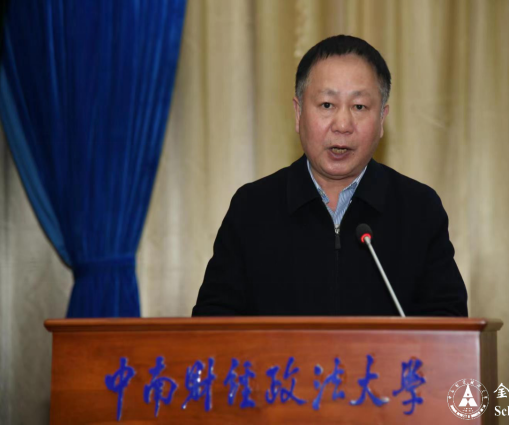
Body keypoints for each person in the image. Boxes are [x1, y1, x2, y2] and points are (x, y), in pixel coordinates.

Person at [192, 35, 468, 317]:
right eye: (327, 105)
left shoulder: (419, 209)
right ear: (298, 113)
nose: (343, 124)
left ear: (382, 119)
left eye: (359, 107)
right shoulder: (252, 208)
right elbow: (212, 323)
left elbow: (449, 324)